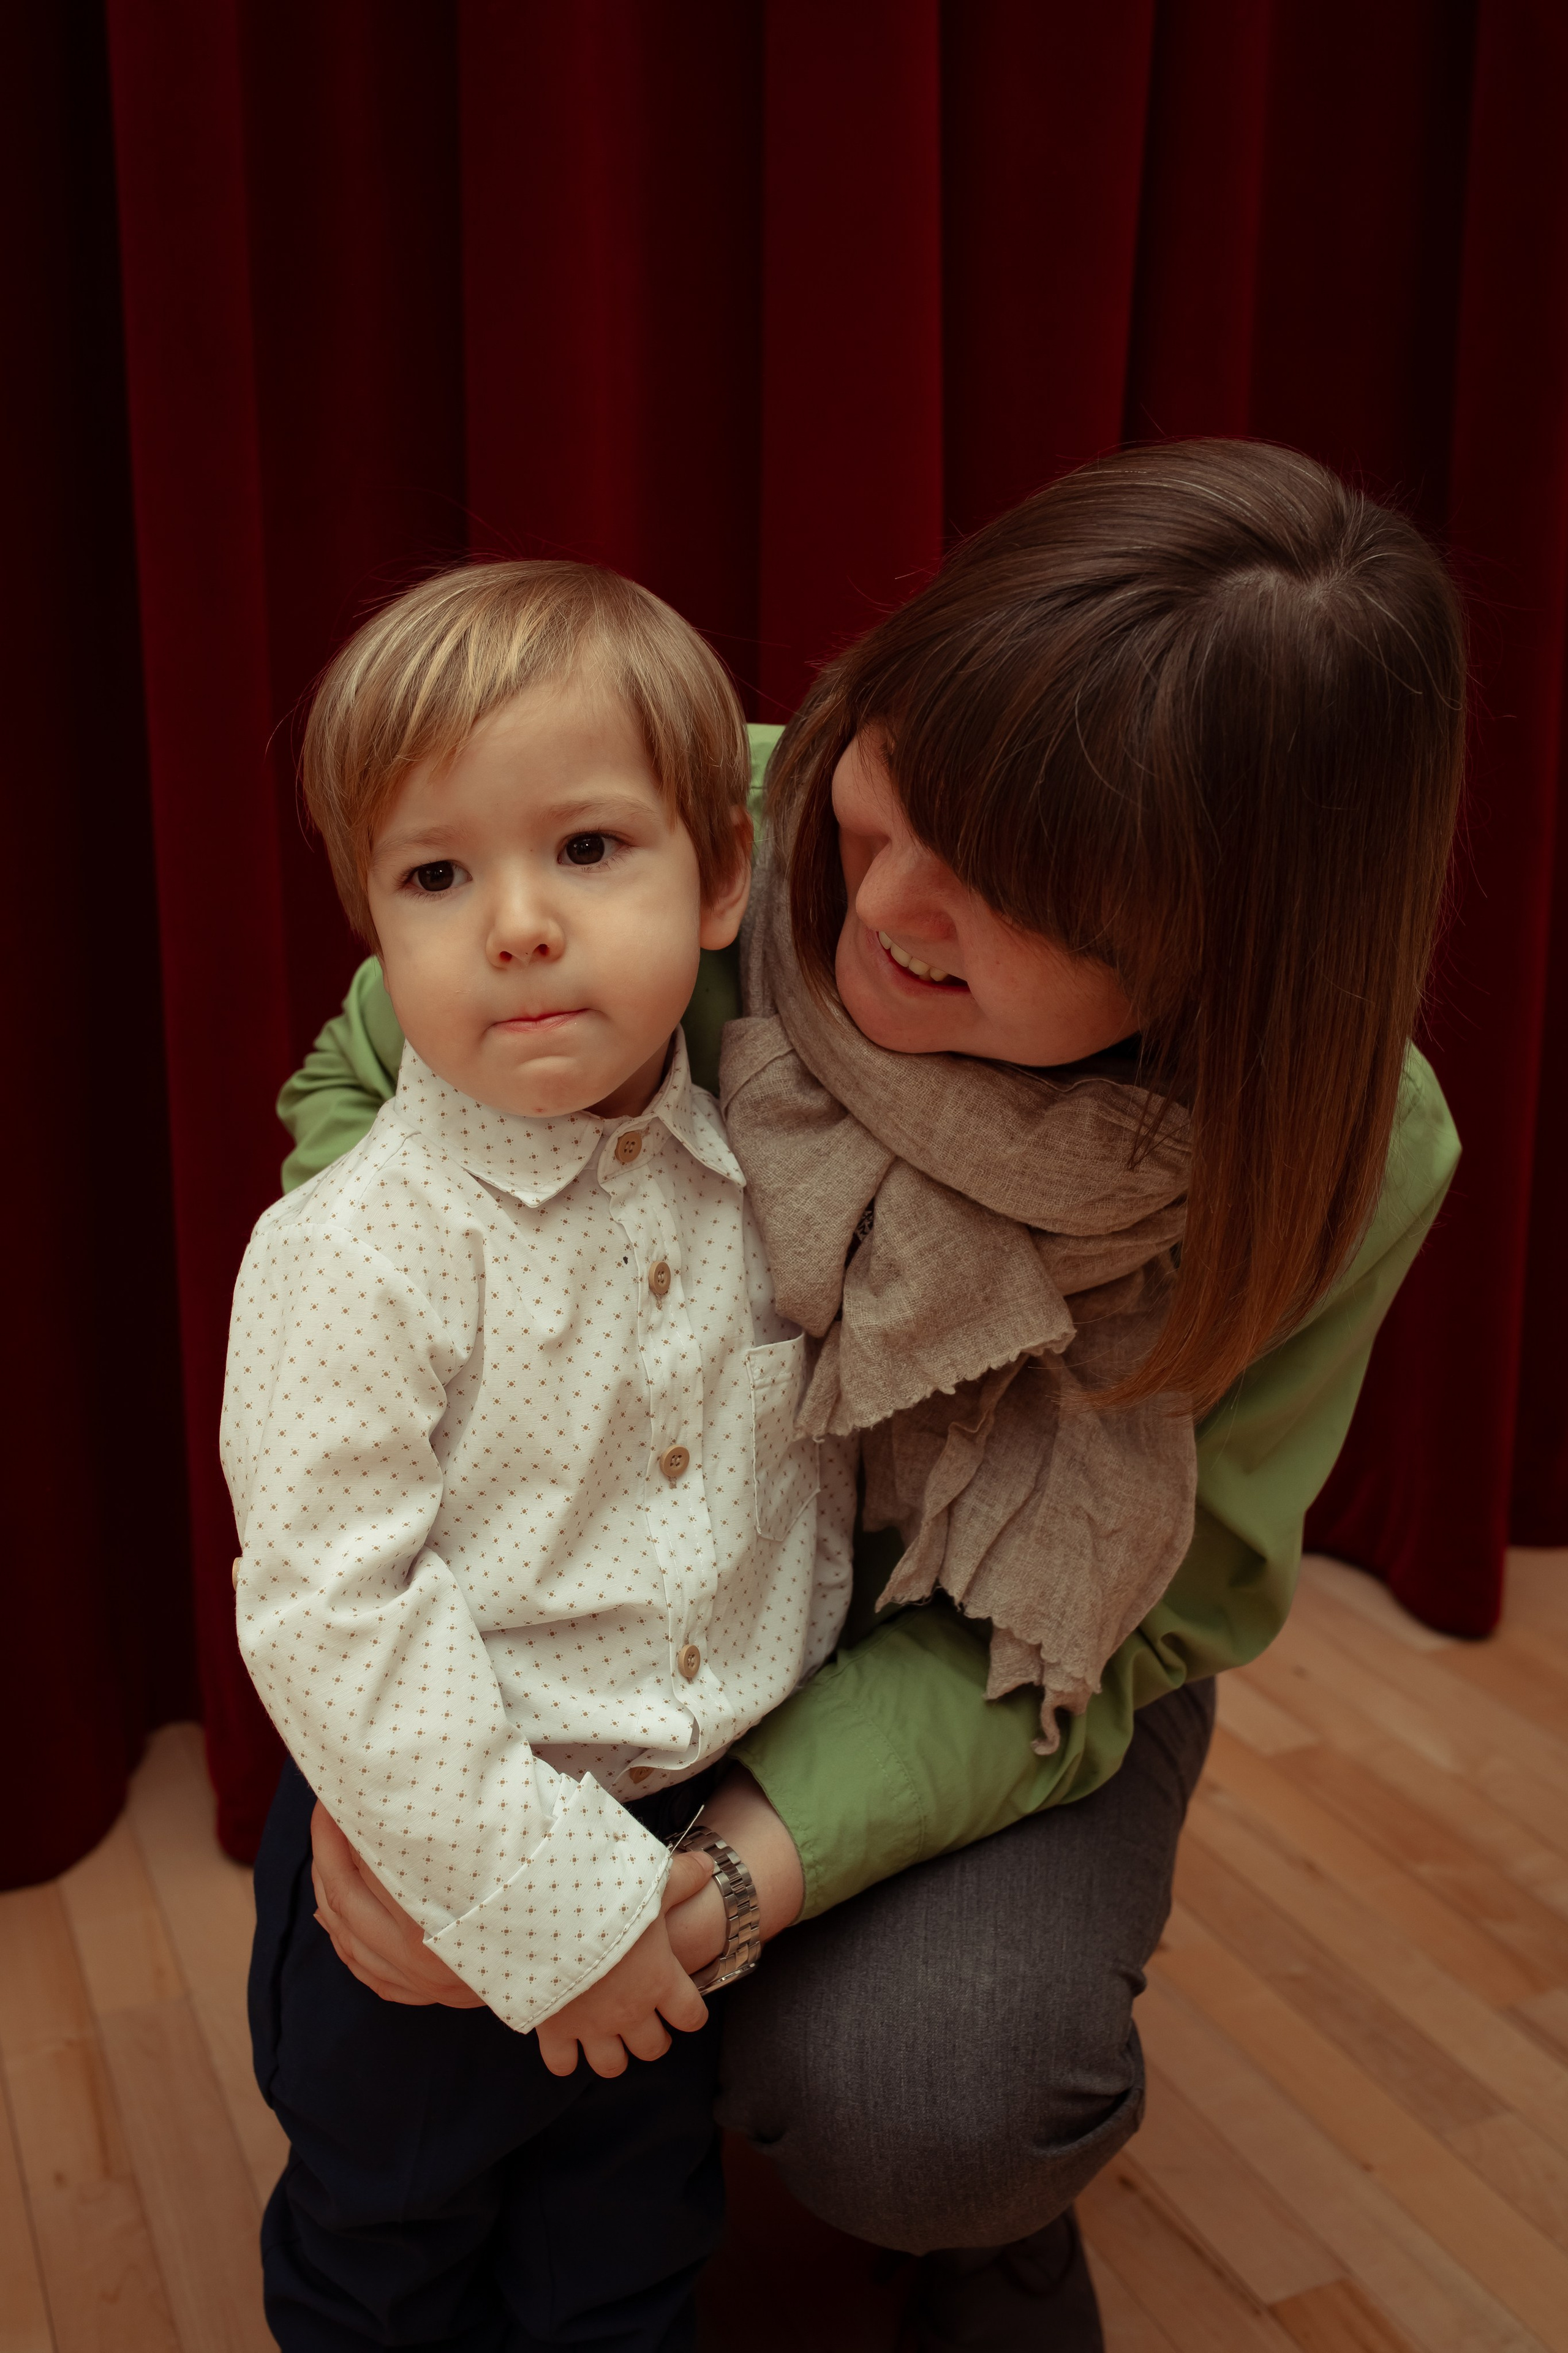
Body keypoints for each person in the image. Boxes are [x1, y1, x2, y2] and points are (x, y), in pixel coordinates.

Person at [294, 441, 1465, 2351]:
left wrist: (718, 1883)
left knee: (937, 2099)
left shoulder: (1348, 1150)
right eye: (895, 794)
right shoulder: (680, 827)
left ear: (1229, 962)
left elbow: (1155, 1622)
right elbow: (361, 1123)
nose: (891, 905)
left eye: (1029, 899)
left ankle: (980, 2216)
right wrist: (422, 1781)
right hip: (581, 1591)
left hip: (1003, 1648)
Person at [224, 559, 858, 2351]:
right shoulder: (355, 1249)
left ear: (721, 877)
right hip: (425, 1866)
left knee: (627, 2249)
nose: (516, 921)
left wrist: (670, 1877)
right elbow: (333, 1616)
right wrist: (542, 1902)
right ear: (374, 923)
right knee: (387, 2249)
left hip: (672, 1856)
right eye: (438, 874)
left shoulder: (767, 1184)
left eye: (588, 849)